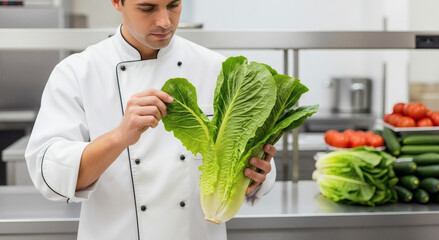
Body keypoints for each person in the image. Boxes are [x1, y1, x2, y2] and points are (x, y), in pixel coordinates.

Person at [25, 0, 277, 239]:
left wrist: (257, 175)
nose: (165, 21)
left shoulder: (220, 70)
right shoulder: (77, 73)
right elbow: (52, 176)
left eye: (173, 5)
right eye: (147, 8)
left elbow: (252, 162)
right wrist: (120, 136)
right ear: (116, 2)